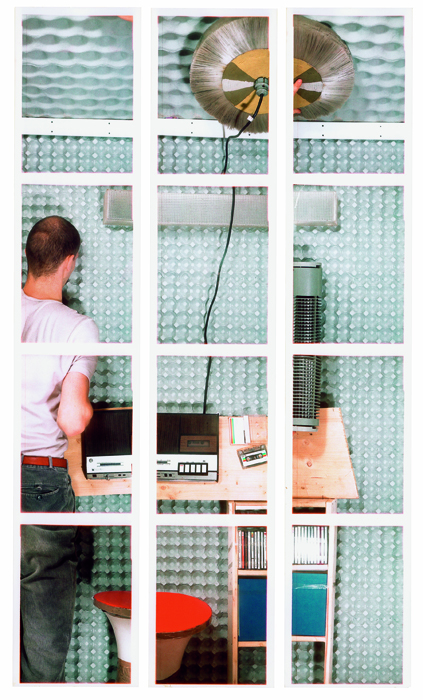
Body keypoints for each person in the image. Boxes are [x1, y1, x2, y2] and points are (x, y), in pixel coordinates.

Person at [20, 215, 99, 683]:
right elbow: (72, 419)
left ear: (29, 257)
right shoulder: (76, 328)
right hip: (39, 478)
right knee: (43, 599)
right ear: (69, 263)